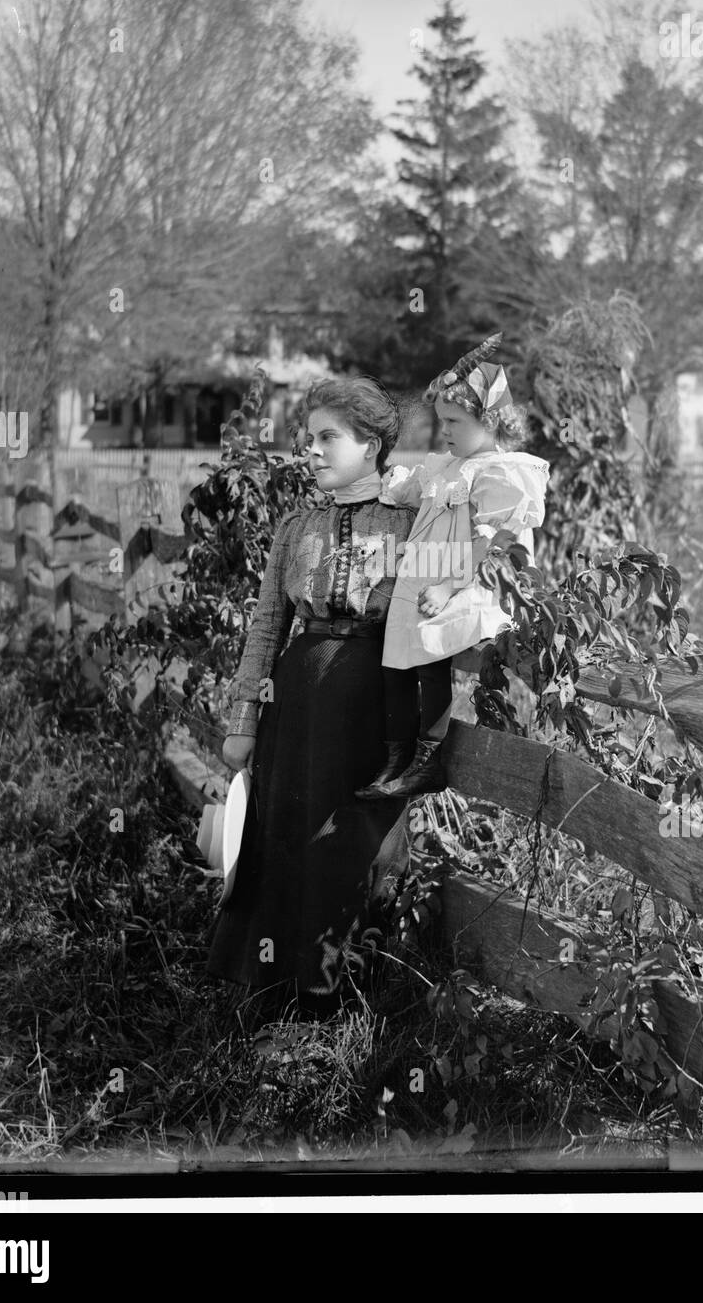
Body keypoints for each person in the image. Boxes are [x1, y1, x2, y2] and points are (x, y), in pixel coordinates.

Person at [209, 377, 418, 1019]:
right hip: (294, 704)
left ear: (372, 445)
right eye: (310, 439)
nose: (313, 451)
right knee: (284, 837)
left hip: (370, 705)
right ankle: (276, 989)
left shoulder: (413, 523)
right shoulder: (296, 528)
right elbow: (268, 625)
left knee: (350, 842)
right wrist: (243, 721)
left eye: (330, 438)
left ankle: (344, 995)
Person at [356, 334, 550, 800]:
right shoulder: (443, 465)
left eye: (455, 421)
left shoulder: (499, 471)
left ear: (489, 420)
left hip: (464, 580)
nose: (444, 430)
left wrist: (448, 586)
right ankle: (396, 757)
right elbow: (408, 492)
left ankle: (429, 761)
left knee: (429, 661)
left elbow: (498, 543)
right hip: (422, 575)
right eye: (441, 420)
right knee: (395, 664)